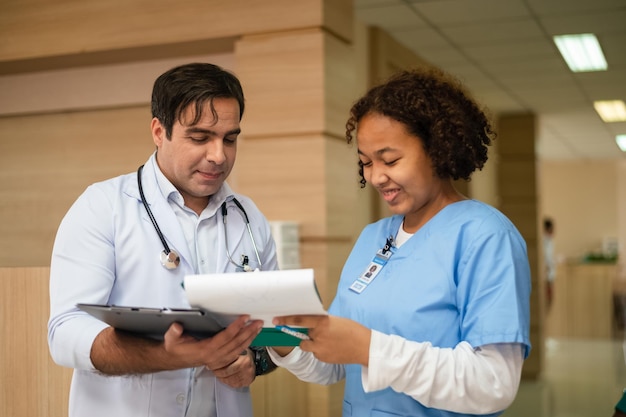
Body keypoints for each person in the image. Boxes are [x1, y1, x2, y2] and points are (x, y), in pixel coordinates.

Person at [269, 66, 532, 416]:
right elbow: (333, 366)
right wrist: (279, 337)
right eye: (365, 163)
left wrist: (371, 350)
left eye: (390, 160)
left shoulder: (485, 236)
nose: (377, 176)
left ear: (437, 149)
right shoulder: (373, 237)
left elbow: (492, 384)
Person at [47, 63, 279, 417]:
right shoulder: (103, 206)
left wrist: (255, 362)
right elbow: (64, 334)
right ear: (159, 131)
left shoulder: (249, 218)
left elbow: (277, 329)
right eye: (200, 138)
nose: (219, 155)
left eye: (230, 139)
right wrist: (166, 356)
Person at [543, 217, 556, 309]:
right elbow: (546, 258)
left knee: (550, 299)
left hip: (550, 273)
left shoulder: (549, 241)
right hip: (546, 273)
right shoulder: (544, 241)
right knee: (547, 298)